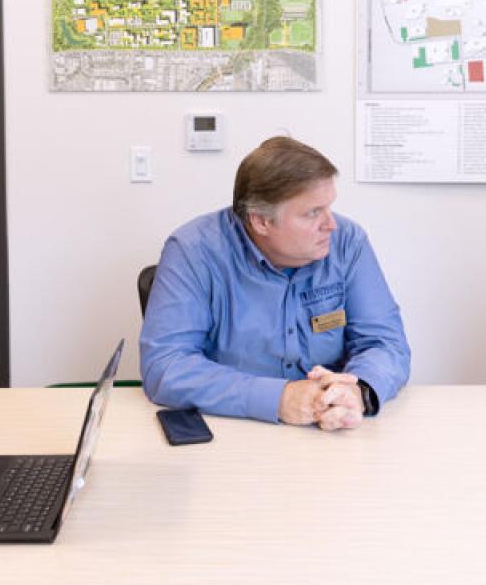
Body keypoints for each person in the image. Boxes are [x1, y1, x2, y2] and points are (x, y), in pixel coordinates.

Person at [140, 137, 411, 431]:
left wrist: (356, 392)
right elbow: (166, 366)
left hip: (330, 429)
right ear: (261, 222)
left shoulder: (347, 242)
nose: (330, 224)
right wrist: (279, 398)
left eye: (329, 207)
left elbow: (386, 343)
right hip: (235, 428)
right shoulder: (193, 251)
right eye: (313, 212)